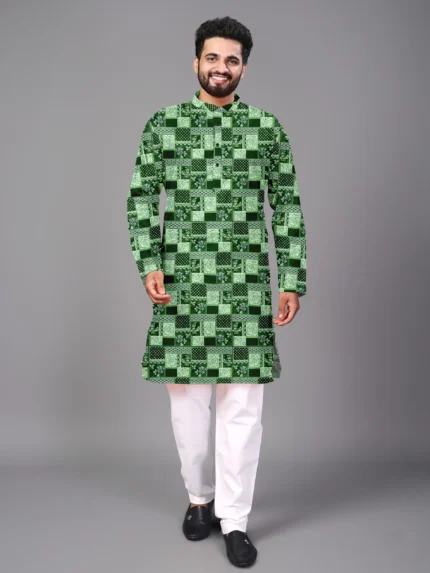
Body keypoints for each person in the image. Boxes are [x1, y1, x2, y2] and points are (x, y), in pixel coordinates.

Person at [126, 15, 307, 568]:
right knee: (188, 413)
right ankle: (198, 499)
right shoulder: (164, 125)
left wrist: (291, 277)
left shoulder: (267, 129)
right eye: (213, 57)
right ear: (196, 62)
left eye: (232, 60)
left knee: (242, 414)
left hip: (247, 290)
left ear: (243, 68)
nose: (221, 67)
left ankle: (235, 520)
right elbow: (141, 197)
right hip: (182, 290)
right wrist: (148, 262)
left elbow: (288, 205)